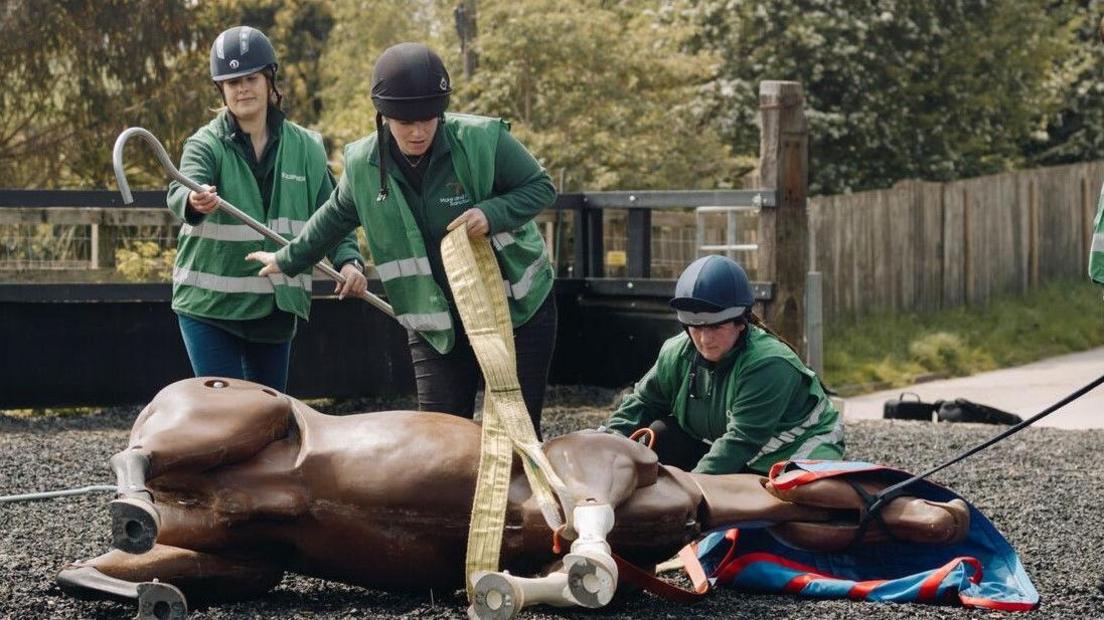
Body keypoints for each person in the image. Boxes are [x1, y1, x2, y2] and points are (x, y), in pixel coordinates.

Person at [247, 42, 558, 434]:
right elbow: (335, 217)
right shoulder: (363, 165)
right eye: (405, 121)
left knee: (517, 435)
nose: (417, 131)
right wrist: (286, 259)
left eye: (428, 119)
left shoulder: (482, 140)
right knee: (439, 439)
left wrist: (491, 213)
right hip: (436, 322)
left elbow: (541, 187)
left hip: (516, 312)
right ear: (384, 116)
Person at [166, 26, 367, 393]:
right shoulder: (205, 144)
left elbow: (336, 212)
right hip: (210, 308)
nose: (242, 88)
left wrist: (349, 261)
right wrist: (193, 200)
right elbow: (181, 188)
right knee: (223, 416)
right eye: (231, 82)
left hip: (275, 308)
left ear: (269, 80)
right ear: (221, 90)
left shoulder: (306, 147)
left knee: (269, 417)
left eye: (250, 78)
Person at [601, 255, 844, 474]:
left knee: (782, 508)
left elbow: (741, 441)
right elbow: (643, 403)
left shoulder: (769, 364)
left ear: (741, 322)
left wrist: (692, 490)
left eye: (716, 327)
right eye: (696, 327)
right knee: (659, 434)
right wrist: (603, 446)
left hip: (794, 453)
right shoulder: (676, 353)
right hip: (728, 446)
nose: (705, 340)